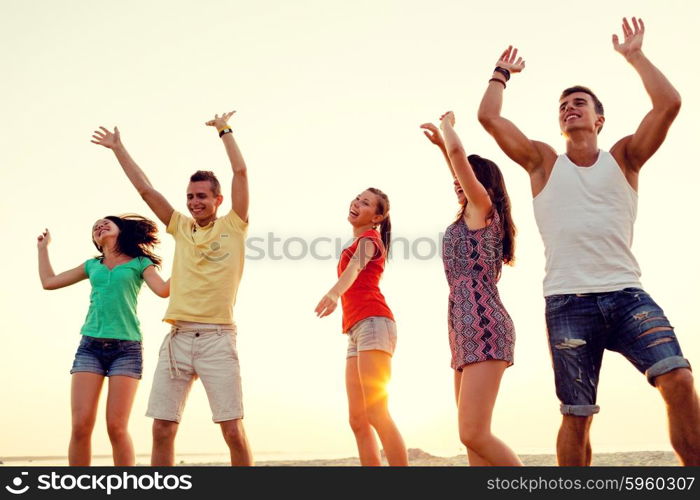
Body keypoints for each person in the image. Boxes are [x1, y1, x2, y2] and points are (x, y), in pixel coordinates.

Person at [477, 17, 700, 465]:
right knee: (577, 416)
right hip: (567, 302)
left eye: (578, 103)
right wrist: (500, 73)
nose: (569, 108)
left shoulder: (624, 157)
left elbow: (669, 103)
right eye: (563, 105)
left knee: (677, 378)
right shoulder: (542, 162)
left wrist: (635, 56)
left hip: (627, 296)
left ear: (599, 118)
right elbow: (489, 117)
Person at [91, 110, 253, 466]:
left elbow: (240, 173)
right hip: (177, 338)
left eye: (201, 196)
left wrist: (224, 130)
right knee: (162, 429)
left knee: (232, 431)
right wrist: (118, 148)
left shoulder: (234, 225)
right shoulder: (180, 227)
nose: (194, 202)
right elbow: (146, 189)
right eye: (190, 197)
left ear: (217, 200)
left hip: (217, 339)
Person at [421, 112, 521, 466]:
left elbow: (462, 161)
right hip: (462, 329)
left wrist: (448, 129)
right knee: (472, 442)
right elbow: (459, 169)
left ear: (486, 186)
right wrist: (442, 150)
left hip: (484, 324)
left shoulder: (483, 210)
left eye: (466, 177)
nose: (458, 181)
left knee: (474, 433)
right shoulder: (467, 214)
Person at [37, 215, 169, 466]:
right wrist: (43, 249)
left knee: (116, 427)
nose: (100, 226)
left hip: (126, 349)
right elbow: (49, 282)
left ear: (121, 229)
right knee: (80, 425)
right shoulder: (92, 265)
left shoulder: (141, 263)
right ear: (95, 240)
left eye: (106, 222)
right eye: (95, 226)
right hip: (90, 348)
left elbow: (163, 290)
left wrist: (191, 263)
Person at [315, 188, 408, 466]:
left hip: (374, 323)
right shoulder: (359, 240)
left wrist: (333, 294)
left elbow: (354, 269)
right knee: (357, 418)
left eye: (365, 203)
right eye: (357, 198)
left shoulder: (369, 240)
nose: (356, 203)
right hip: (356, 329)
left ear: (377, 217)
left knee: (377, 412)